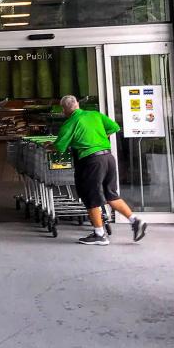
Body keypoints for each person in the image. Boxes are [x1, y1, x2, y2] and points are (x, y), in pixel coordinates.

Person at [51, 95, 148, 246]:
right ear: (77, 104)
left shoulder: (70, 122)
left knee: (91, 197)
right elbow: (114, 127)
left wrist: (49, 146)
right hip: (108, 157)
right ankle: (135, 220)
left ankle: (99, 234)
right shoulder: (94, 114)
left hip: (91, 161)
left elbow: (59, 147)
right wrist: (100, 138)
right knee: (111, 194)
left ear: (64, 110)